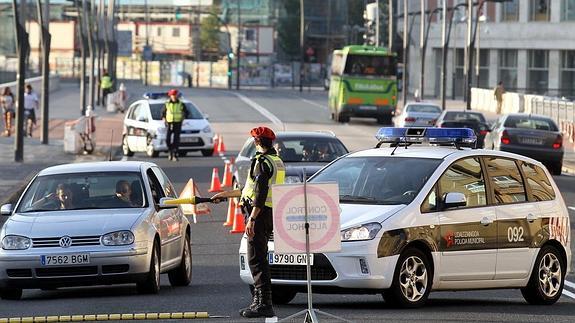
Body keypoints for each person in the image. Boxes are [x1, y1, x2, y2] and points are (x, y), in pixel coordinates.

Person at [212, 126, 285, 318]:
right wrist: (225, 194)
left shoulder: (261, 162)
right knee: (259, 257)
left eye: (254, 141)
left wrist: (252, 218)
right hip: (268, 214)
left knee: (256, 259)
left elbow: (260, 193)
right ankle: (260, 302)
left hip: (259, 216)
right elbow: (249, 190)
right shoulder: (276, 161)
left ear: (257, 142)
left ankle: (264, 303)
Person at [161, 89, 189, 161]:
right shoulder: (167, 103)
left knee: (176, 140)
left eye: (175, 95)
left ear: (177, 95)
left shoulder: (181, 103)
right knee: (167, 139)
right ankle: (170, 151)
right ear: (170, 96)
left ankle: (175, 154)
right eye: (172, 95)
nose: (174, 96)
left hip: (178, 123)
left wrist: (183, 118)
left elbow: (186, 112)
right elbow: (163, 113)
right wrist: (164, 119)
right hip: (169, 123)